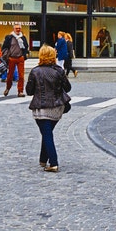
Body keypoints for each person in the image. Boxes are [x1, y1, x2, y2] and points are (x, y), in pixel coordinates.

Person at [25, 45, 72, 173]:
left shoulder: (35, 71)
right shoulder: (59, 71)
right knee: (47, 132)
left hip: (41, 107)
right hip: (57, 107)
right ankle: (42, 159)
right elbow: (68, 88)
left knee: (47, 134)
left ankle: (53, 163)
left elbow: (29, 91)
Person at [2, 25, 29, 97]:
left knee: (21, 76)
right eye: (16, 28)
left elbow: (26, 46)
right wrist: (7, 56)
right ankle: (7, 88)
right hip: (11, 58)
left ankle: (20, 91)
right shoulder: (9, 37)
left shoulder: (23, 37)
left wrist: (24, 55)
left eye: (19, 28)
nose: (18, 29)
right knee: (10, 75)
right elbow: (4, 47)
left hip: (20, 58)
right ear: (13, 29)